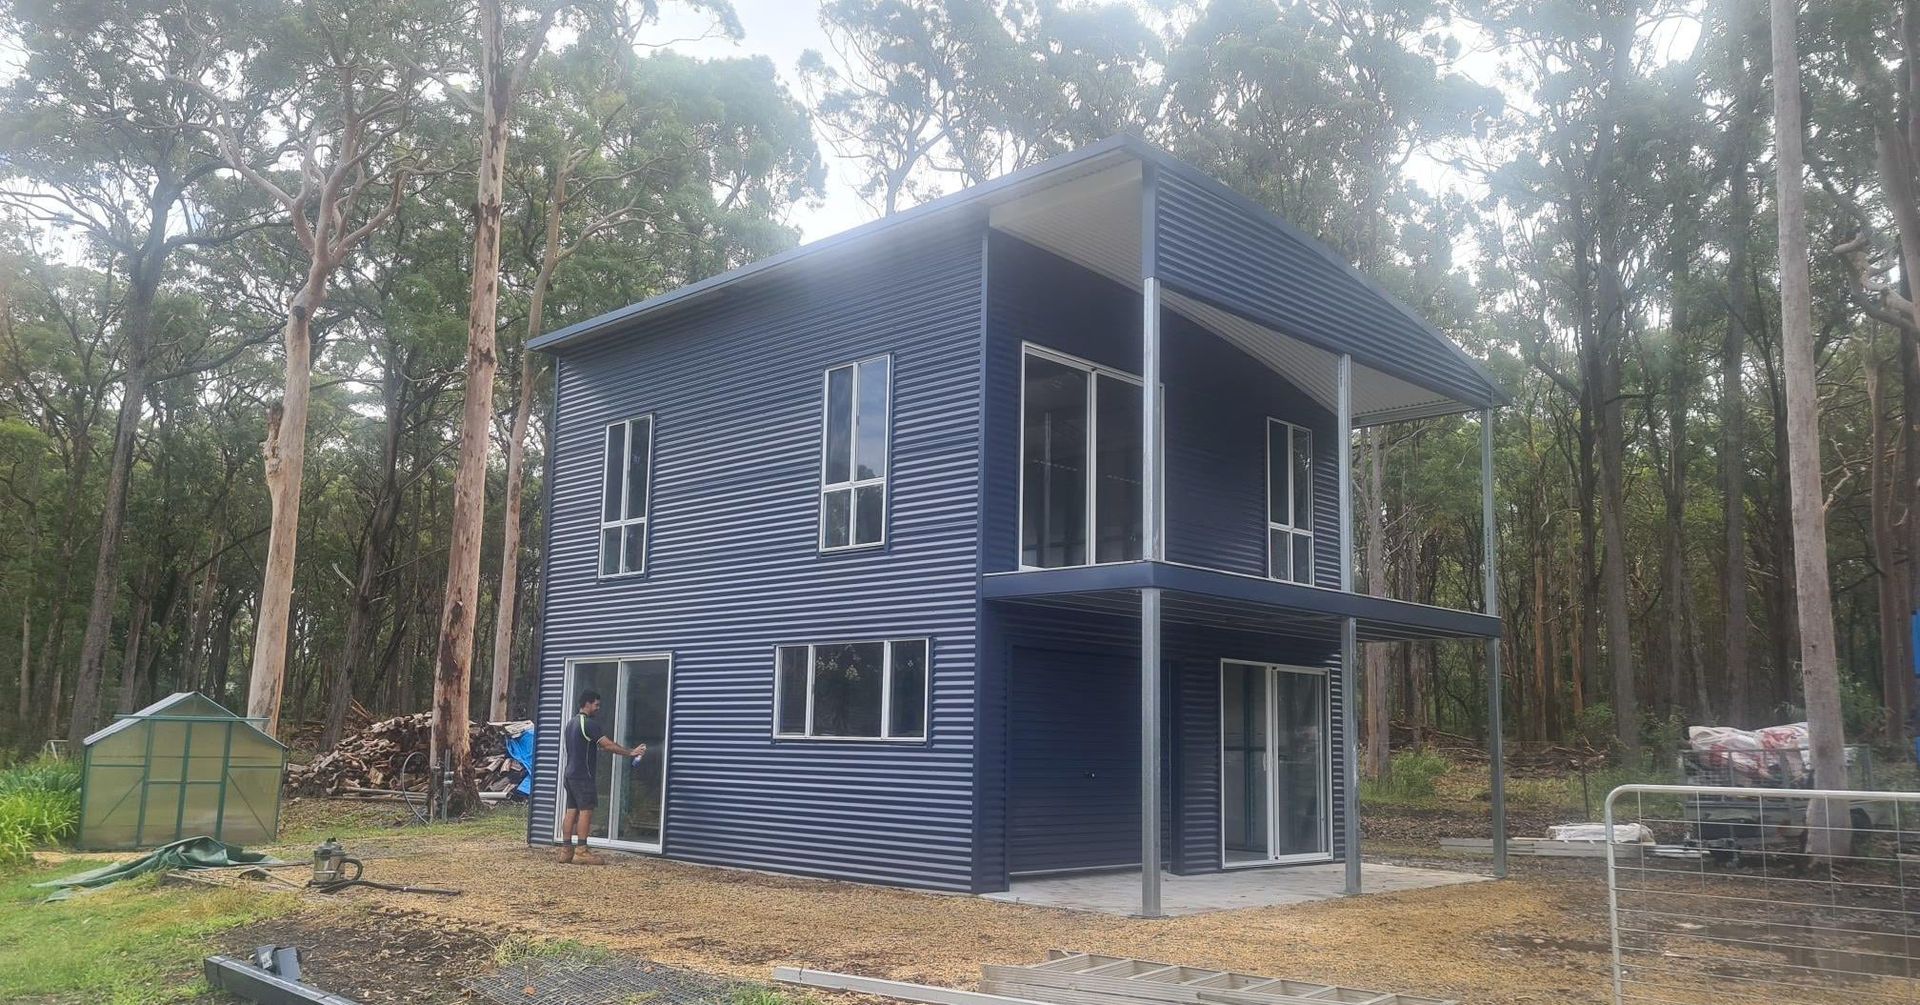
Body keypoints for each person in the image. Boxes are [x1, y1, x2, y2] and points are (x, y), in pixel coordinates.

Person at [558, 689, 645, 864]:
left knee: (571, 811)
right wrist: (631, 752)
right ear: (587, 704)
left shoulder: (571, 723)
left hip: (570, 774)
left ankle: (566, 851)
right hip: (583, 775)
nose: (598, 708)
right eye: (596, 705)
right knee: (586, 811)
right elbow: (607, 745)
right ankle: (581, 851)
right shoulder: (589, 724)